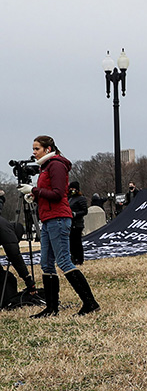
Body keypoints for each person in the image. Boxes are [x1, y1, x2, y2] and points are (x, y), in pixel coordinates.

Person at [17, 135, 100, 317]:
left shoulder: (56, 165)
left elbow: (57, 194)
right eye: (33, 149)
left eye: (36, 148)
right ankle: (51, 308)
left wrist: (33, 190)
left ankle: (90, 303)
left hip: (58, 218)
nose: (33, 152)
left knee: (63, 261)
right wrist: (35, 196)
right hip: (48, 219)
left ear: (47, 149)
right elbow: (48, 194)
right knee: (46, 264)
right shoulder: (45, 167)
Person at [0, 214, 40, 306]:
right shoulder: (8, 232)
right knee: (6, 279)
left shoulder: (4, 224)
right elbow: (16, 258)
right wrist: (28, 279)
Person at [68, 181, 88, 265]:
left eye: (73, 188)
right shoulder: (69, 198)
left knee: (77, 242)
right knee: (71, 243)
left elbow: (84, 211)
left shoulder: (81, 198)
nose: (72, 190)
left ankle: (79, 259)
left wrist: (75, 214)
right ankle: (73, 258)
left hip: (77, 223)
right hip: (70, 223)